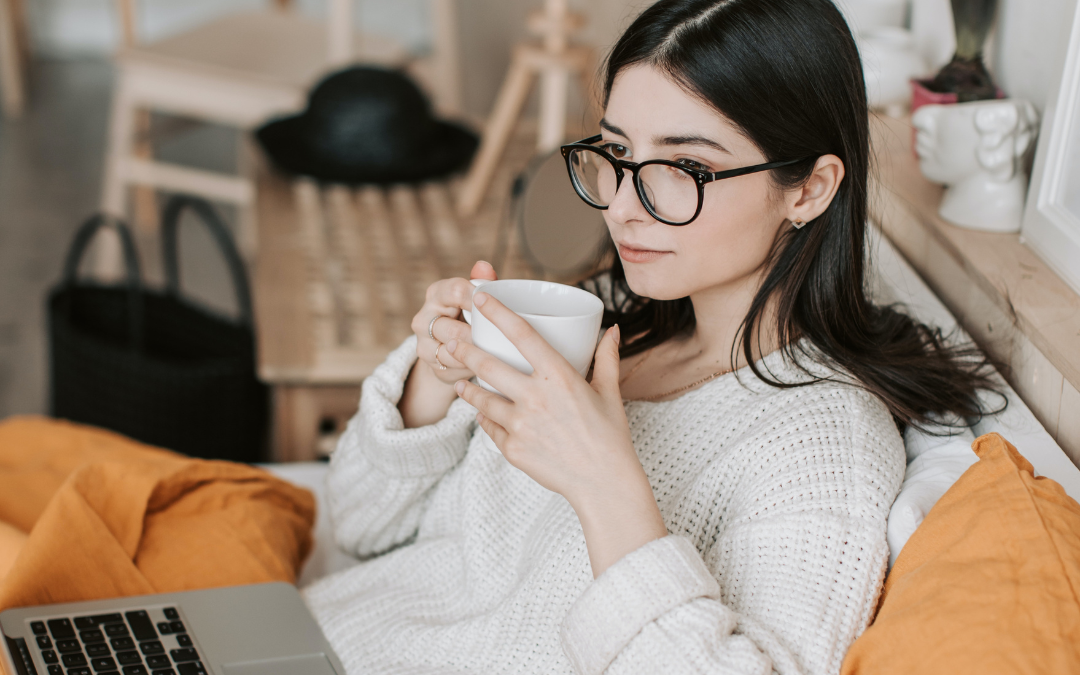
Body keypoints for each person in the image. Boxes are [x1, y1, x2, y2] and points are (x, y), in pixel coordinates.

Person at [302, 1, 995, 673]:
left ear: (809, 190)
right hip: (323, 632)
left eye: (686, 168)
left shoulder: (824, 445)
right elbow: (360, 527)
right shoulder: (607, 316)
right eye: (616, 153)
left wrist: (602, 481)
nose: (626, 208)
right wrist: (431, 381)